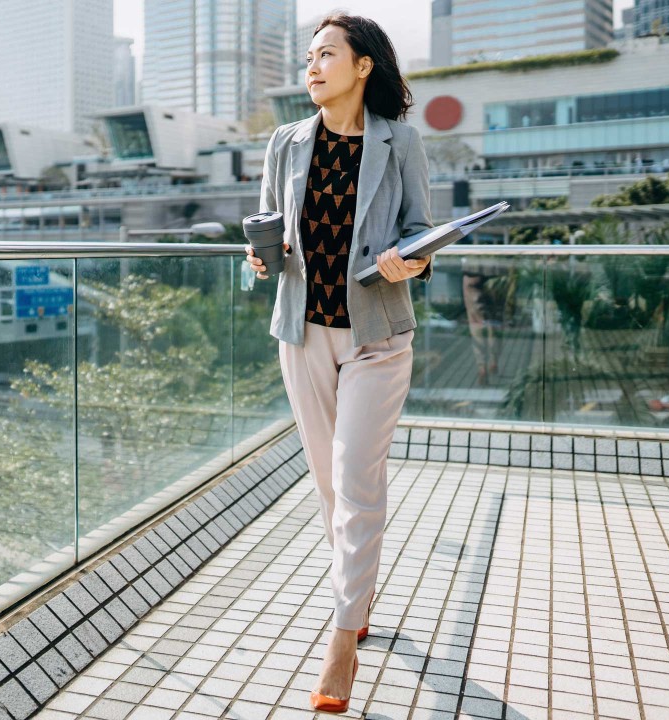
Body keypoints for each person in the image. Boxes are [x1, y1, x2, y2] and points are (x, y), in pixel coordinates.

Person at [244, 12, 432, 714]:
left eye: (327, 55)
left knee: (357, 483)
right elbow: (270, 227)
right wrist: (262, 257)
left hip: (376, 336)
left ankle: (342, 642)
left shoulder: (400, 141)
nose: (313, 67)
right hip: (303, 333)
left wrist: (408, 256)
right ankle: (361, 594)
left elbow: (422, 230)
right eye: (309, 57)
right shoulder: (286, 142)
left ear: (363, 67)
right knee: (330, 489)